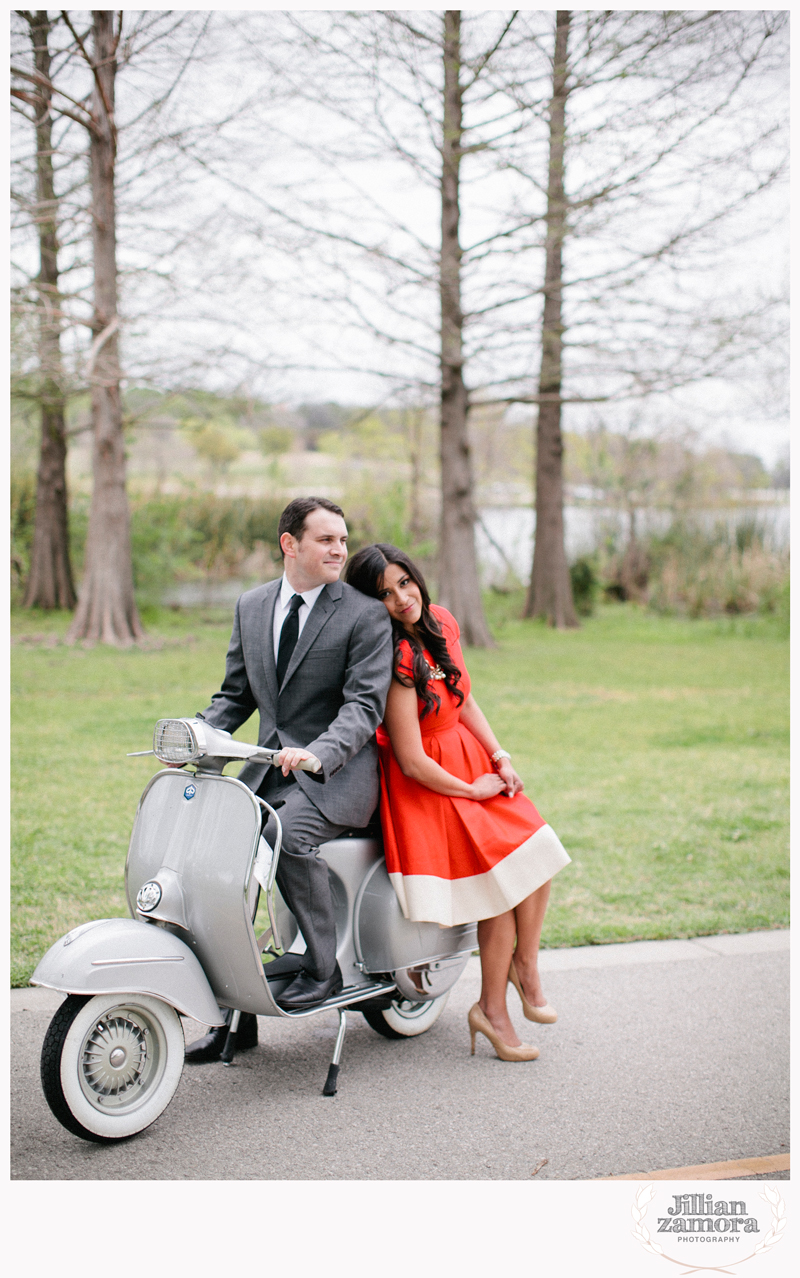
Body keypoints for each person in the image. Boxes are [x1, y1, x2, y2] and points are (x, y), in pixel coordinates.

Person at [185, 497, 393, 1062]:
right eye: (327, 540)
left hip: (337, 775)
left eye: (344, 541)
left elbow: (363, 706)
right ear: (289, 543)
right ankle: (234, 1015)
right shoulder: (252, 606)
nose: (340, 550)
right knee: (215, 855)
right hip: (266, 770)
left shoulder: (363, 613)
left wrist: (318, 754)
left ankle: (323, 972)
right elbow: (234, 696)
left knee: (287, 837)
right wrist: (194, 733)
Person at [344, 543, 570, 1062]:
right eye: (384, 594)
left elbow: (466, 700)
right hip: (429, 785)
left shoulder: (443, 622)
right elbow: (409, 758)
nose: (401, 599)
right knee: (499, 889)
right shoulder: (395, 657)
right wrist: (471, 789)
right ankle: (494, 1010)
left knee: (537, 852)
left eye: (405, 583)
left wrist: (499, 755)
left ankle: (523, 967)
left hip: (470, 763)